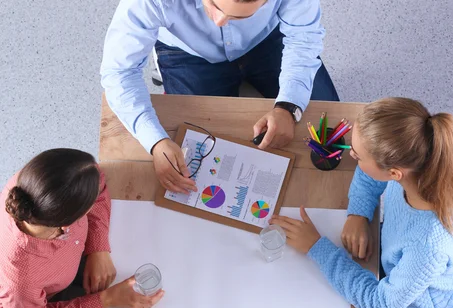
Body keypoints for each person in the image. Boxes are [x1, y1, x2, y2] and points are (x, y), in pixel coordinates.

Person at [271, 97, 453, 308]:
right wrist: (358, 213)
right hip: (415, 254)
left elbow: (380, 304)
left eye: (358, 156)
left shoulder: (427, 246)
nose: (351, 155)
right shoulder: (433, 153)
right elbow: (371, 170)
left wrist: (316, 247)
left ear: (394, 173)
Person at [101, 0, 339, 194]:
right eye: (212, 4)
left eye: (238, 16)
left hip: (267, 39)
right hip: (187, 52)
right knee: (199, 154)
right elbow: (119, 73)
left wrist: (289, 106)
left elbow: (304, 38)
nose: (217, 21)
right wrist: (154, 141)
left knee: (331, 129)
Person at [0, 149, 164, 308]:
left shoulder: (36, 184)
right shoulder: (20, 278)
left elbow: (98, 180)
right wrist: (107, 300)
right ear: (68, 223)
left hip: (57, 273)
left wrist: (98, 248)